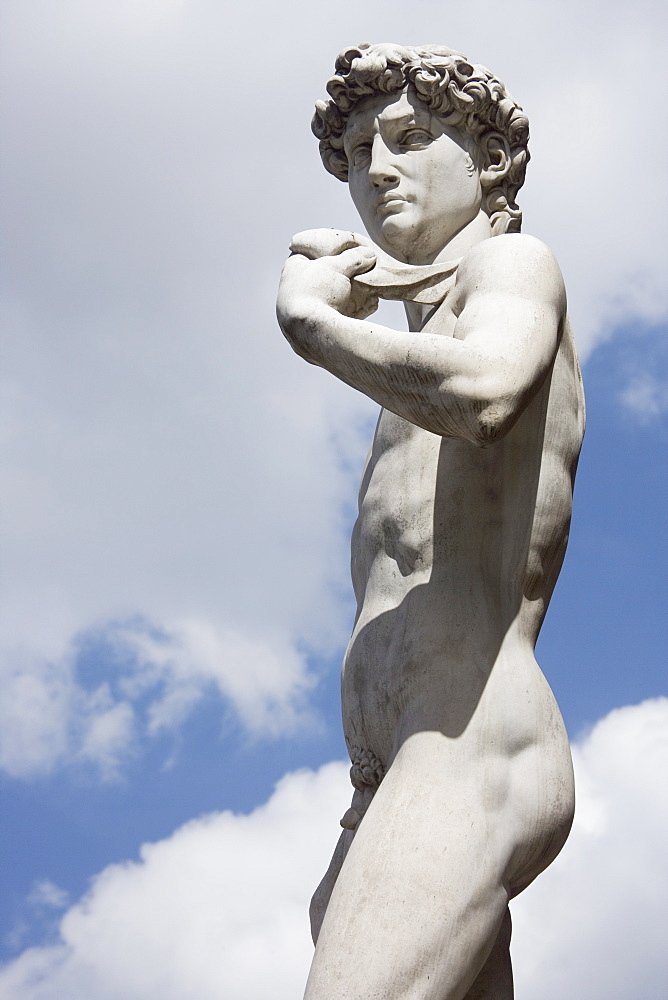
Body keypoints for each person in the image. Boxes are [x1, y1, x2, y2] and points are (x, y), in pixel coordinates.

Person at [276, 43, 585, 1000]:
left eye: (411, 138)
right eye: (362, 151)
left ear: (489, 160)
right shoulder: (418, 347)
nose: (379, 171)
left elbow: (489, 393)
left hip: (465, 740)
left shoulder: (513, 267)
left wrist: (318, 327)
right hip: (385, 782)